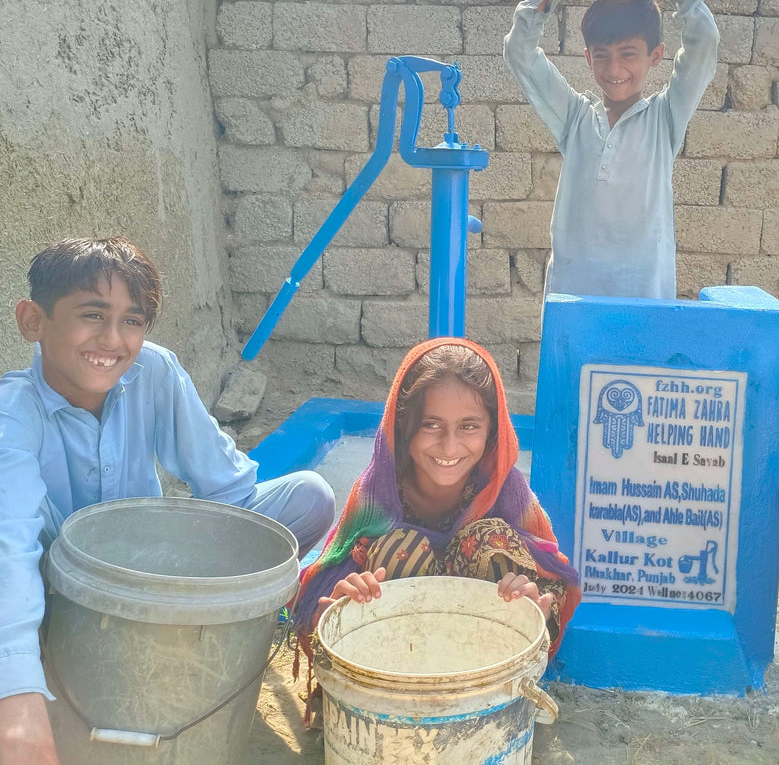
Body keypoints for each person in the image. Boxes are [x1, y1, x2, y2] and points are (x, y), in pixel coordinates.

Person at [0, 237, 336, 765]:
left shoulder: (151, 371)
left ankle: (202, 632)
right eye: (92, 315)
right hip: (65, 597)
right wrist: (17, 695)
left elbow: (226, 486)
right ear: (33, 321)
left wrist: (222, 574)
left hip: (154, 580)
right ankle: (41, 659)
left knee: (309, 500)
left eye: (132, 321)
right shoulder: (13, 416)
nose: (111, 340)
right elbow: (10, 547)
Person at [291, 337, 580, 720]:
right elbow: (327, 580)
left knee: (489, 539)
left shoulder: (503, 489)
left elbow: (552, 577)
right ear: (404, 426)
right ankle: (397, 712)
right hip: (398, 666)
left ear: (492, 430)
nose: (449, 445)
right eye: (431, 424)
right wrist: (342, 600)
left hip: (478, 658)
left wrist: (532, 603)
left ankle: (487, 705)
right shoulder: (378, 491)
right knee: (400, 549)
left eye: (469, 426)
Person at [502, 0, 719, 300]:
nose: (614, 67)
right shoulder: (574, 119)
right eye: (601, 54)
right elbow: (519, 49)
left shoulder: (664, 118)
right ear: (587, 58)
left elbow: (704, 40)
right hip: (573, 302)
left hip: (644, 302)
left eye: (629, 53)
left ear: (656, 55)